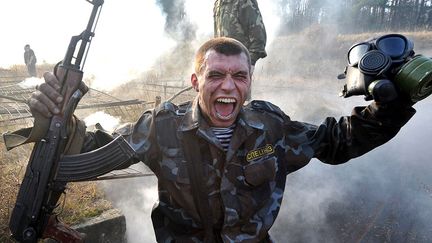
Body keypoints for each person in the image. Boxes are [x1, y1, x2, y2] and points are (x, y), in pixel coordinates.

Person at [17, 37, 415, 242]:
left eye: (239, 76)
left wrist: (389, 111)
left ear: (249, 82)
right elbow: (95, 153)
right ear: (195, 82)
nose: (228, 86)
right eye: (215, 75)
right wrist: (59, 122)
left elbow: (337, 141)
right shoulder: (161, 127)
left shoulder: (271, 127)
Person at [214, 0, 267, 75]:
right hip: (222, 66)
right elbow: (217, 37)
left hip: (240, 67)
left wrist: (250, 64)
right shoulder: (218, 3)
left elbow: (258, 38)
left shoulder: (244, 1)